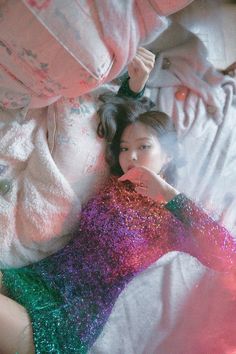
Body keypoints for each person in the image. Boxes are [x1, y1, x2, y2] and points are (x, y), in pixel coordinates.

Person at [0, 48, 235, 354]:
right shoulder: (116, 181)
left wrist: (170, 196)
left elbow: (227, 255)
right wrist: (136, 84)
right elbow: (123, 114)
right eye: (125, 148)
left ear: (168, 154)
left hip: (66, 320)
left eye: (143, 147)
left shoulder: (171, 222)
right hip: (33, 281)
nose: (130, 156)